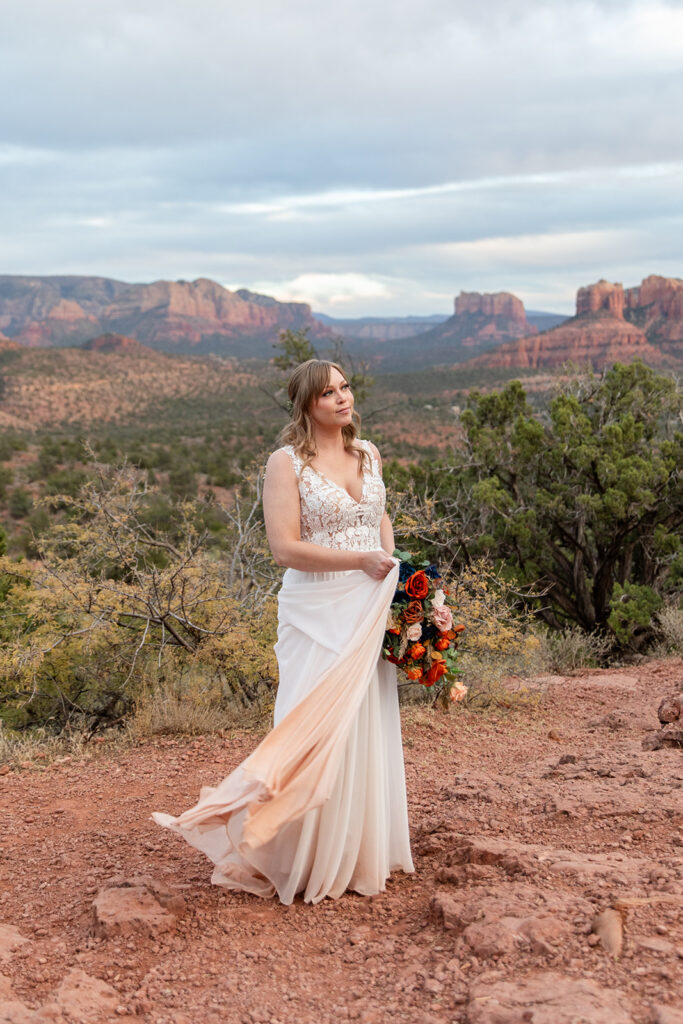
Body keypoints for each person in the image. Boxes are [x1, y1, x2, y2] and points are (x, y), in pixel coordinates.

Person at [152, 359, 414, 903]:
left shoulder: (368, 454)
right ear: (306, 405)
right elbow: (283, 548)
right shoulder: (286, 462)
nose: (342, 399)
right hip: (317, 606)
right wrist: (360, 562)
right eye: (327, 393)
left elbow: (378, 517)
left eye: (344, 388)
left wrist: (394, 566)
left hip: (371, 599)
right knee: (308, 721)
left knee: (362, 720)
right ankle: (298, 851)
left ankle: (359, 850)